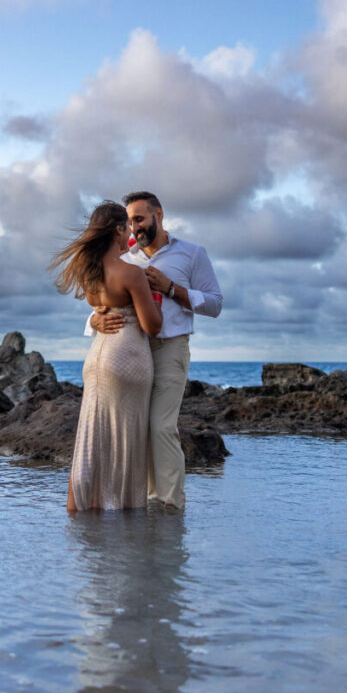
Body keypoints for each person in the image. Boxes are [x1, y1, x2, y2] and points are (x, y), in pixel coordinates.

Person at [88, 191, 222, 509]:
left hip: (171, 349)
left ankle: (171, 503)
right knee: (135, 426)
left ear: (158, 215)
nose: (134, 227)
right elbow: (99, 302)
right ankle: (145, 500)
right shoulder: (123, 257)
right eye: (130, 221)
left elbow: (215, 304)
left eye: (140, 218)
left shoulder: (192, 253)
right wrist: (94, 320)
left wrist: (171, 289)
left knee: (161, 426)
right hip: (131, 352)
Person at [50, 200, 162, 512]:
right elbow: (152, 326)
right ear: (118, 231)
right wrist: (159, 295)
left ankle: (83, 515)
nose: (131, 233)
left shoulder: (89, 276)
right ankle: (122, 517)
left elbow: (98, 311)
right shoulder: (131, 273)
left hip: (96, 357)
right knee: (124, 441)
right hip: (127, 356)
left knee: (91, 439)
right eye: (127, 227)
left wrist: (98, 319)